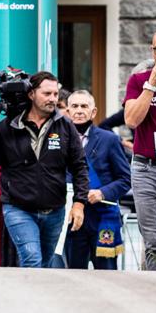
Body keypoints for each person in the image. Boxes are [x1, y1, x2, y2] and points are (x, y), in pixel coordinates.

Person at [0, 72, 89, 268]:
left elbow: (79, 166)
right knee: (32, 260)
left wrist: (79, 203)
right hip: (18, 209)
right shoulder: (9, 126)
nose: (53, 99)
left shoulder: (65, 126)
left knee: (45, 266)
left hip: (55, 211)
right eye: (47, 94)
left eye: (55, 94)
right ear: (31, 94)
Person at [64, 90, 131, 270]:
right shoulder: (59, 140)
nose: (79, 110)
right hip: (71, 218)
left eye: (84, 106)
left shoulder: (110, 140)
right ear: (67, 112)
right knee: (73, 274)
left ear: (93, 112)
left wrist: (102, 193)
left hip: (102, 217)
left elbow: (125, 179)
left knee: (107, 274)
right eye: (74, 106)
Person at [124, 28, 156, 270]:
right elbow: (131, 120)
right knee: (154, 241)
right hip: (146, 168)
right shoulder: (138, 80)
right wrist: (151, 83)